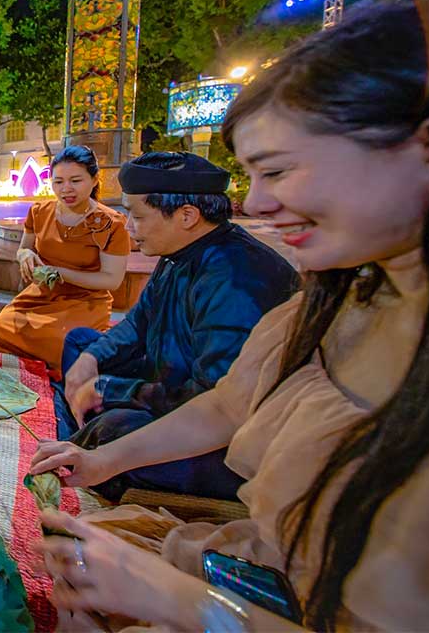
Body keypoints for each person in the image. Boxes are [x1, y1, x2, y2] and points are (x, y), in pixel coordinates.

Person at [31, 0, 429, 631]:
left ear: (428, 147)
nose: (258, 203)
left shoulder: (239, 276)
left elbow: (205, 389)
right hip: (260, 567)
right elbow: (228, 404)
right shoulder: (340, 299)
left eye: (279, 171)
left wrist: (179, 601)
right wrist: (103, 461)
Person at [52, 151, 296, 498]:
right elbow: (137, 324)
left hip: (216, 432)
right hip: (166, 384)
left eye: (137, 216)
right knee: (80, 343)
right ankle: (79, 426)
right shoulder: (177, 254)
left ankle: (82, 438)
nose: (129, 227)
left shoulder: (236, 279)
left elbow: (216, 402)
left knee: (114, 429)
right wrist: (92, 359)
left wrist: (113, 390)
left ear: (187, 216)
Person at [0, 145, 130, 370]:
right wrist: (25, 254)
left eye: (75, 181)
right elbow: (24, 248)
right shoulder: (39, 211)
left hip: (86, 300)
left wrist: (60, 273)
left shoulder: (111, 224)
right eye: (58, 182)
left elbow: (111, 280)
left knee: (61, 342)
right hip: (43, 294)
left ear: (95, 180)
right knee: (1, 329)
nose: (66, 189)